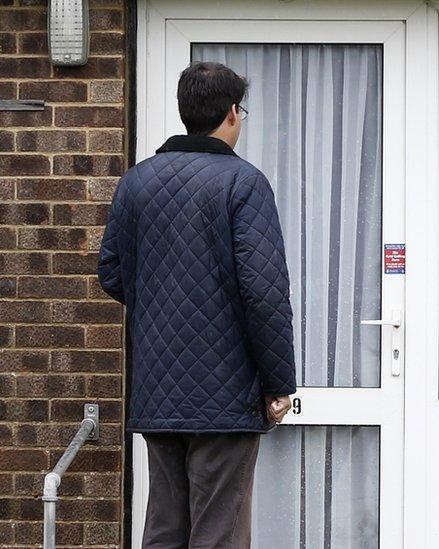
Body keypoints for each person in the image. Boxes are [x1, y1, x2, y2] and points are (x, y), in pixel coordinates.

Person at [97, 61, 296, 548]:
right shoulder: (243, 183)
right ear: (232, 113)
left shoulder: (136, 183)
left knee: (164, 530)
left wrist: (160, 307)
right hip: (225, 398)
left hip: (158, 391)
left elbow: (112, 273)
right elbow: (264, 292)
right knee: (219, 534)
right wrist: (278, 384)